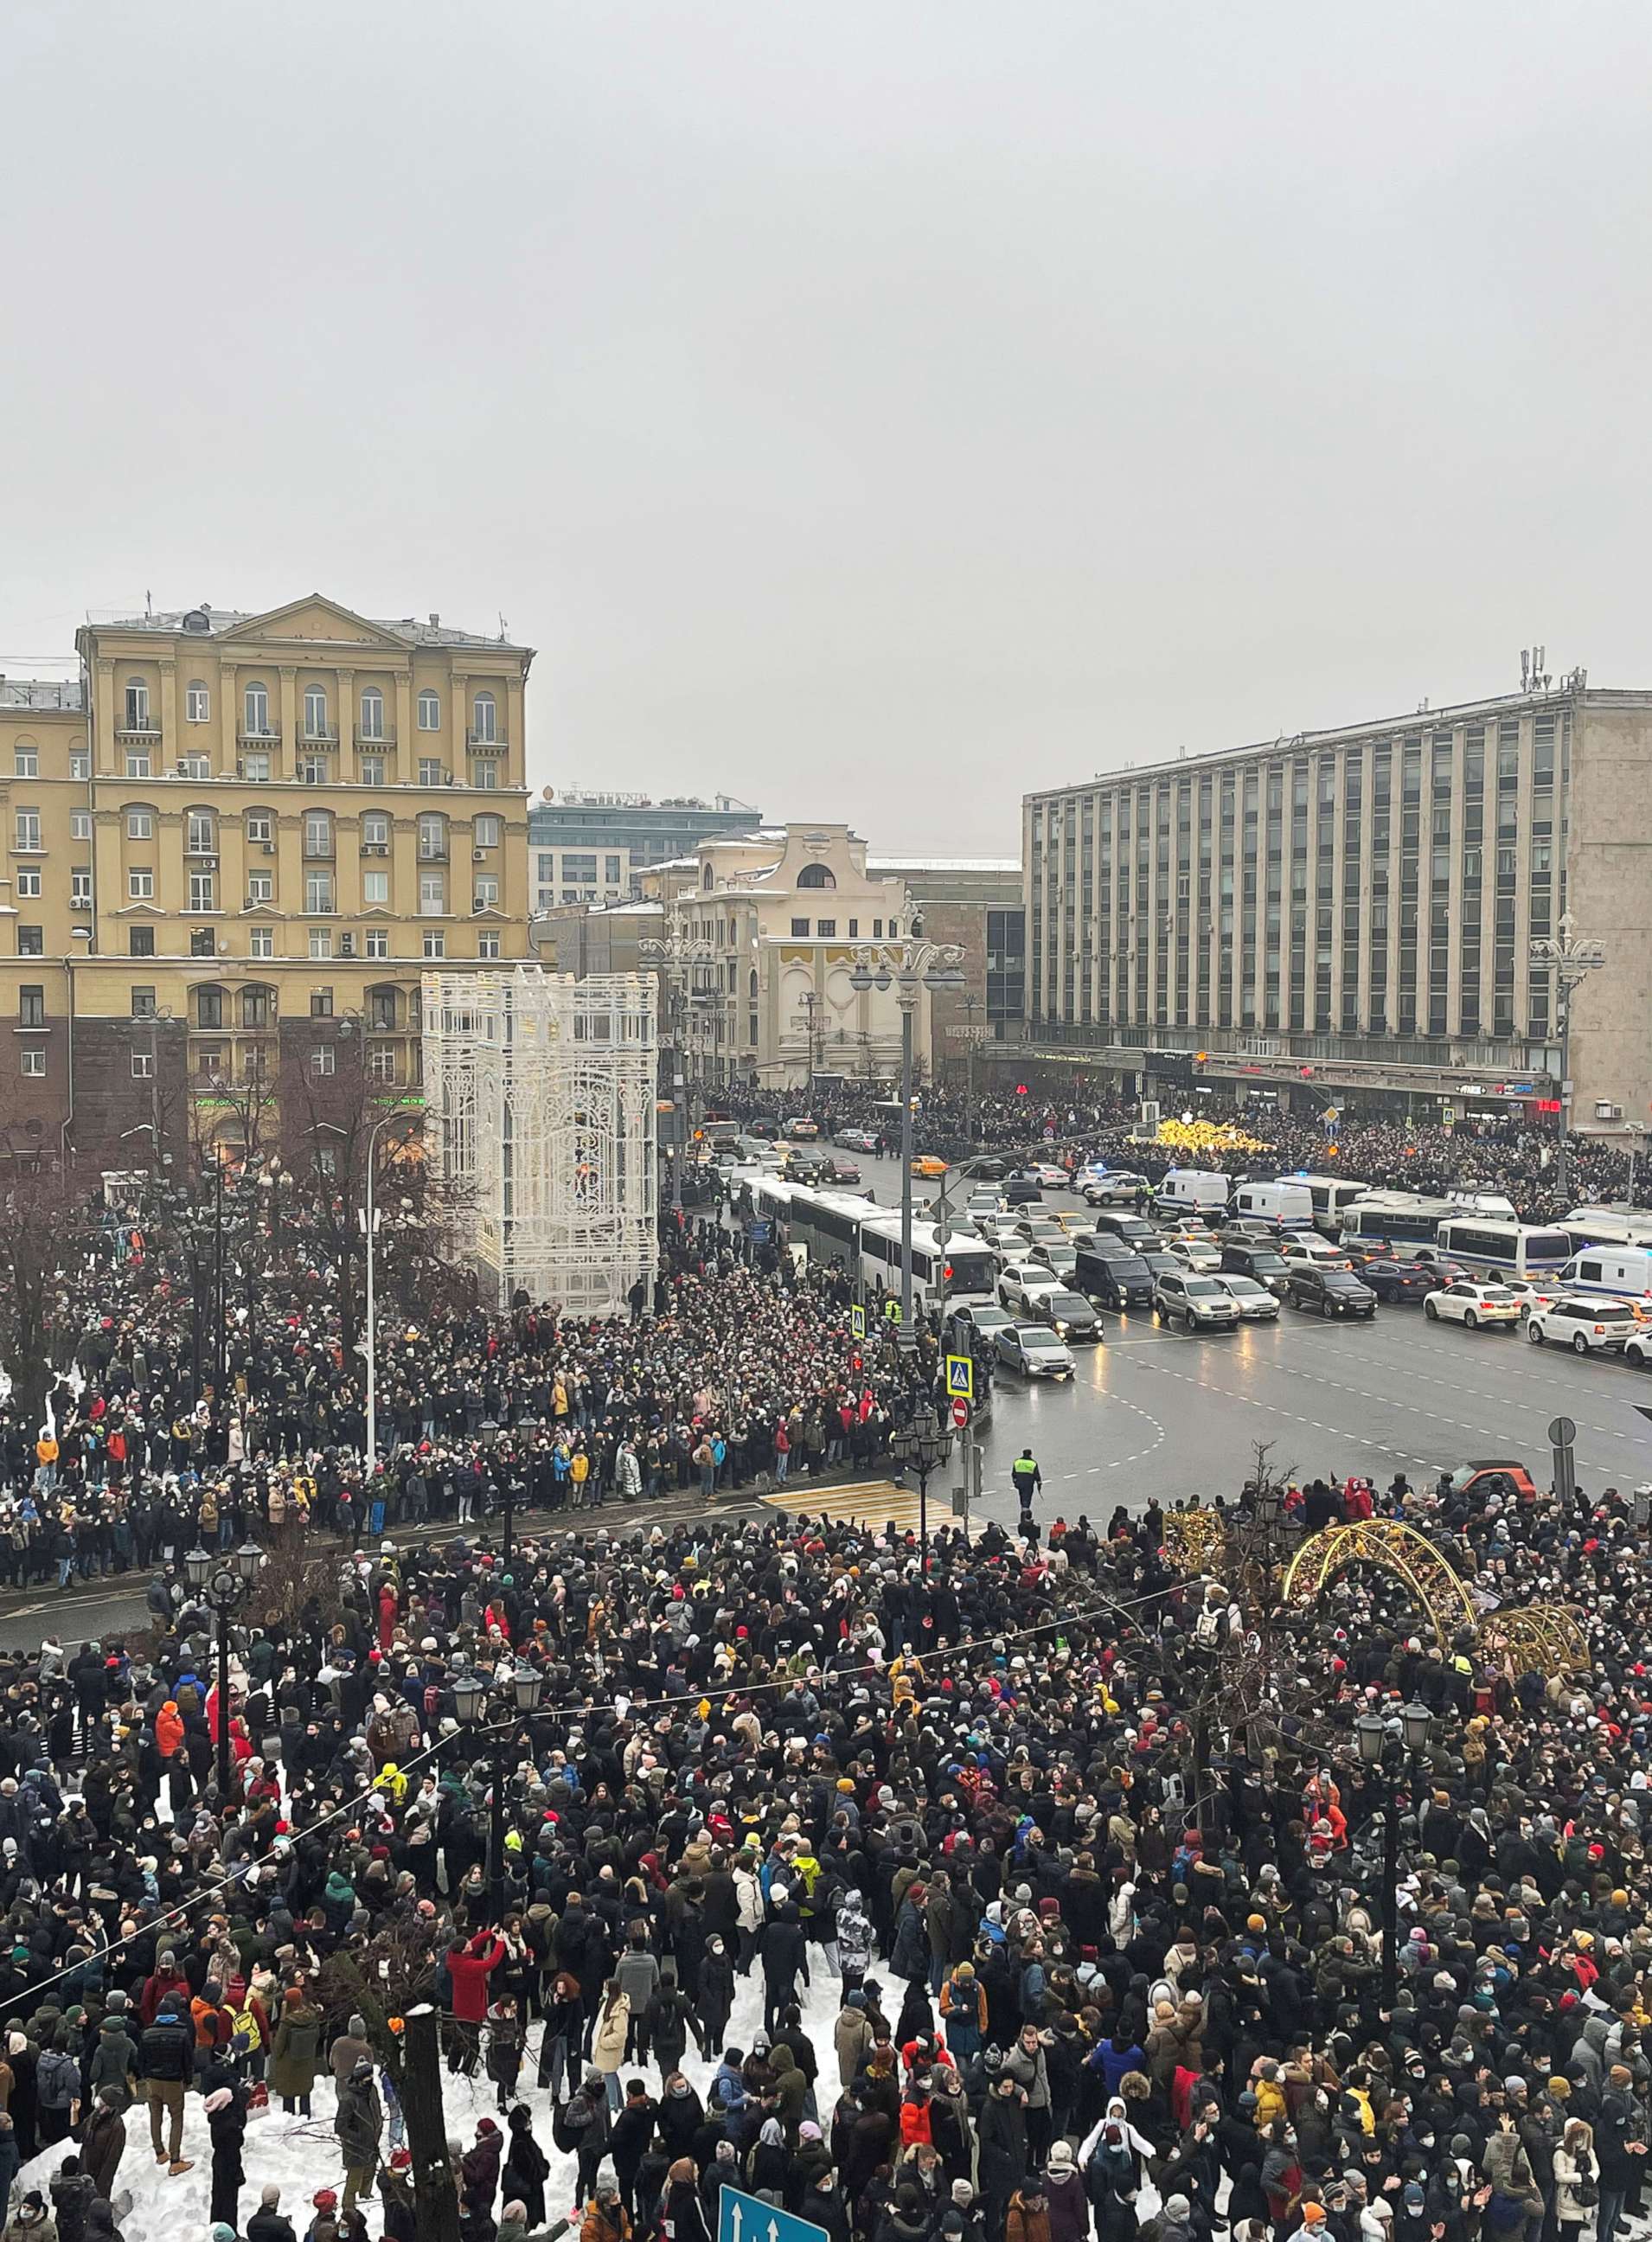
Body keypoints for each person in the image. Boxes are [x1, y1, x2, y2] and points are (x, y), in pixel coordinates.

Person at [335, 2058, 384, 2219]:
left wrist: (379, 2126)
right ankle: (349, 2212)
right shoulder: (348, 2100)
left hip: (372, 2144)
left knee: (369, 2174)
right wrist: (358, 2138)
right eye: (366, 2078)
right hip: (355, 2150)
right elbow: (340, 2127)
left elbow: (376, 2111)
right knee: (353, 2182)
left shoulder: (372, 2091)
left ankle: (367, 2202)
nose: (369, 2081)